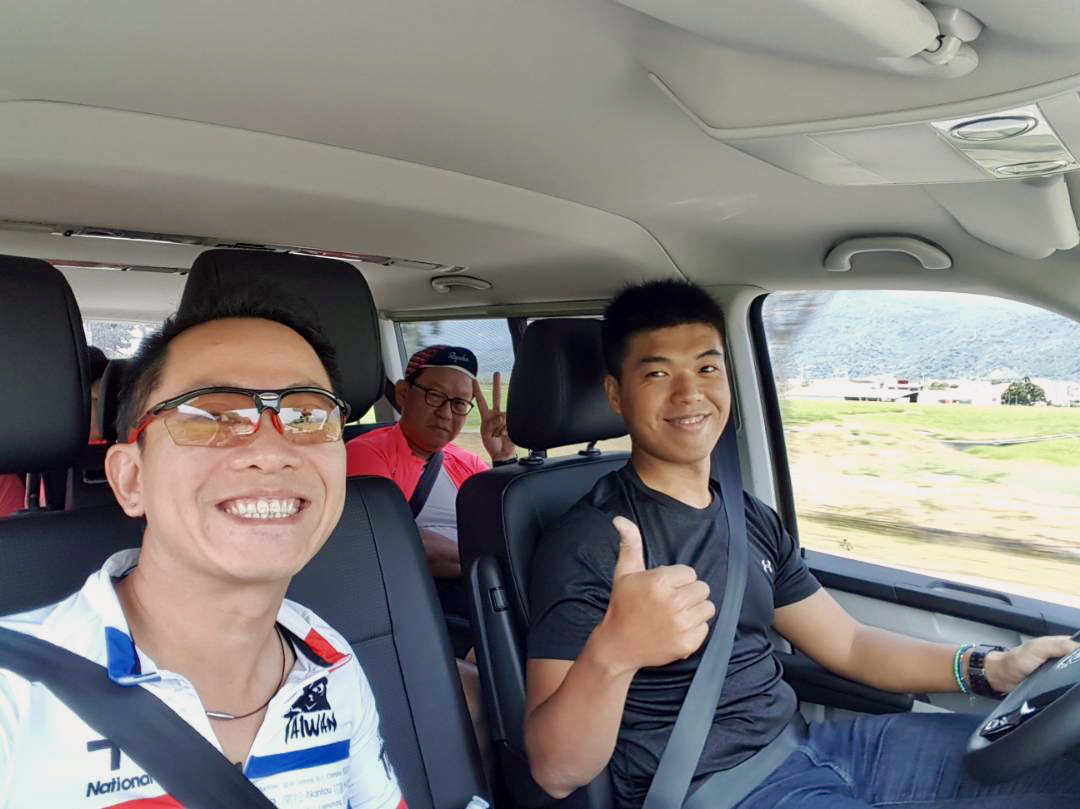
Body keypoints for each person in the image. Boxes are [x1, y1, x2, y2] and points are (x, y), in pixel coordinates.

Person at [524, 279, 1080, 809]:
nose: (690, 392)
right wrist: (615, 652)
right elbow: (556, 771)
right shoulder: (592, 541)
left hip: (811, 748)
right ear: (615, 394)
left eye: (707, 367)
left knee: (1058, 768)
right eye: (657, 373)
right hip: (712, 789)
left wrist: (991, 668)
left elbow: (850, 644)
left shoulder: (747, 515)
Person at [0, 296, 405, 809]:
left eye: (306, 415)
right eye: (212, 416)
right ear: (131, 478)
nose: (272, 452)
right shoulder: (14, 695)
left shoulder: (329, 661)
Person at [346, 345, 516, 580]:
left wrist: (504, 459)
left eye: (459, 403)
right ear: (403, 393)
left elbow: (506, 525)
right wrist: (500, 568)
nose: (446, 414)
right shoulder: (366, 453)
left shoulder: (468, 462)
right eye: (435, 395)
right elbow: (393, 540)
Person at [0, 346, 110, 517]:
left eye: (108, 398)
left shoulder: (133, 450)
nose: (109, 410)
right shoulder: (37, 458)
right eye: (96, 399)